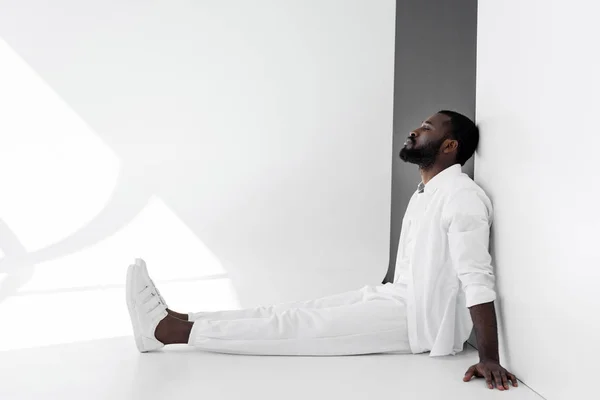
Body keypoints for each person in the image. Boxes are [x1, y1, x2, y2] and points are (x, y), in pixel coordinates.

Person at [126, 110, 518, 391]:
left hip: (417, 321)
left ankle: (170, 332)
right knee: (291, 311)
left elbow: (476, 279)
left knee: (295, 329)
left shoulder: (462, 197)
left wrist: (489, 357)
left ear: (450, 146)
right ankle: (182, 317)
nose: (415, 131)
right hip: (395, 298)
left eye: (427, 128)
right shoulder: (428, 192)